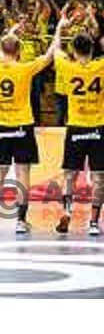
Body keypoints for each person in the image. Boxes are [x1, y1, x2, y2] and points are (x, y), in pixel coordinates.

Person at [0, 17, 65, 233]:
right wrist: (59, 28)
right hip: (22, 125)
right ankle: (20, 220)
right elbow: (50, 53)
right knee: (23, 172)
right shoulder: (26, 68)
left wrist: (11, 30)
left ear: (1, 48)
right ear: (19, 50)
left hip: (1, 125)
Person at [54, 33, 104, 235]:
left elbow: (55, 48)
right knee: (99, 177)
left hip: (75, 127)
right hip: (98, 127)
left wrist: (60, 28)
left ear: (74, 51)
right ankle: (93, 222)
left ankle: (67, 210)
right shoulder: (100, 66)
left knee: (69, 175)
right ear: (91, 50)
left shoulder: (68, 66)